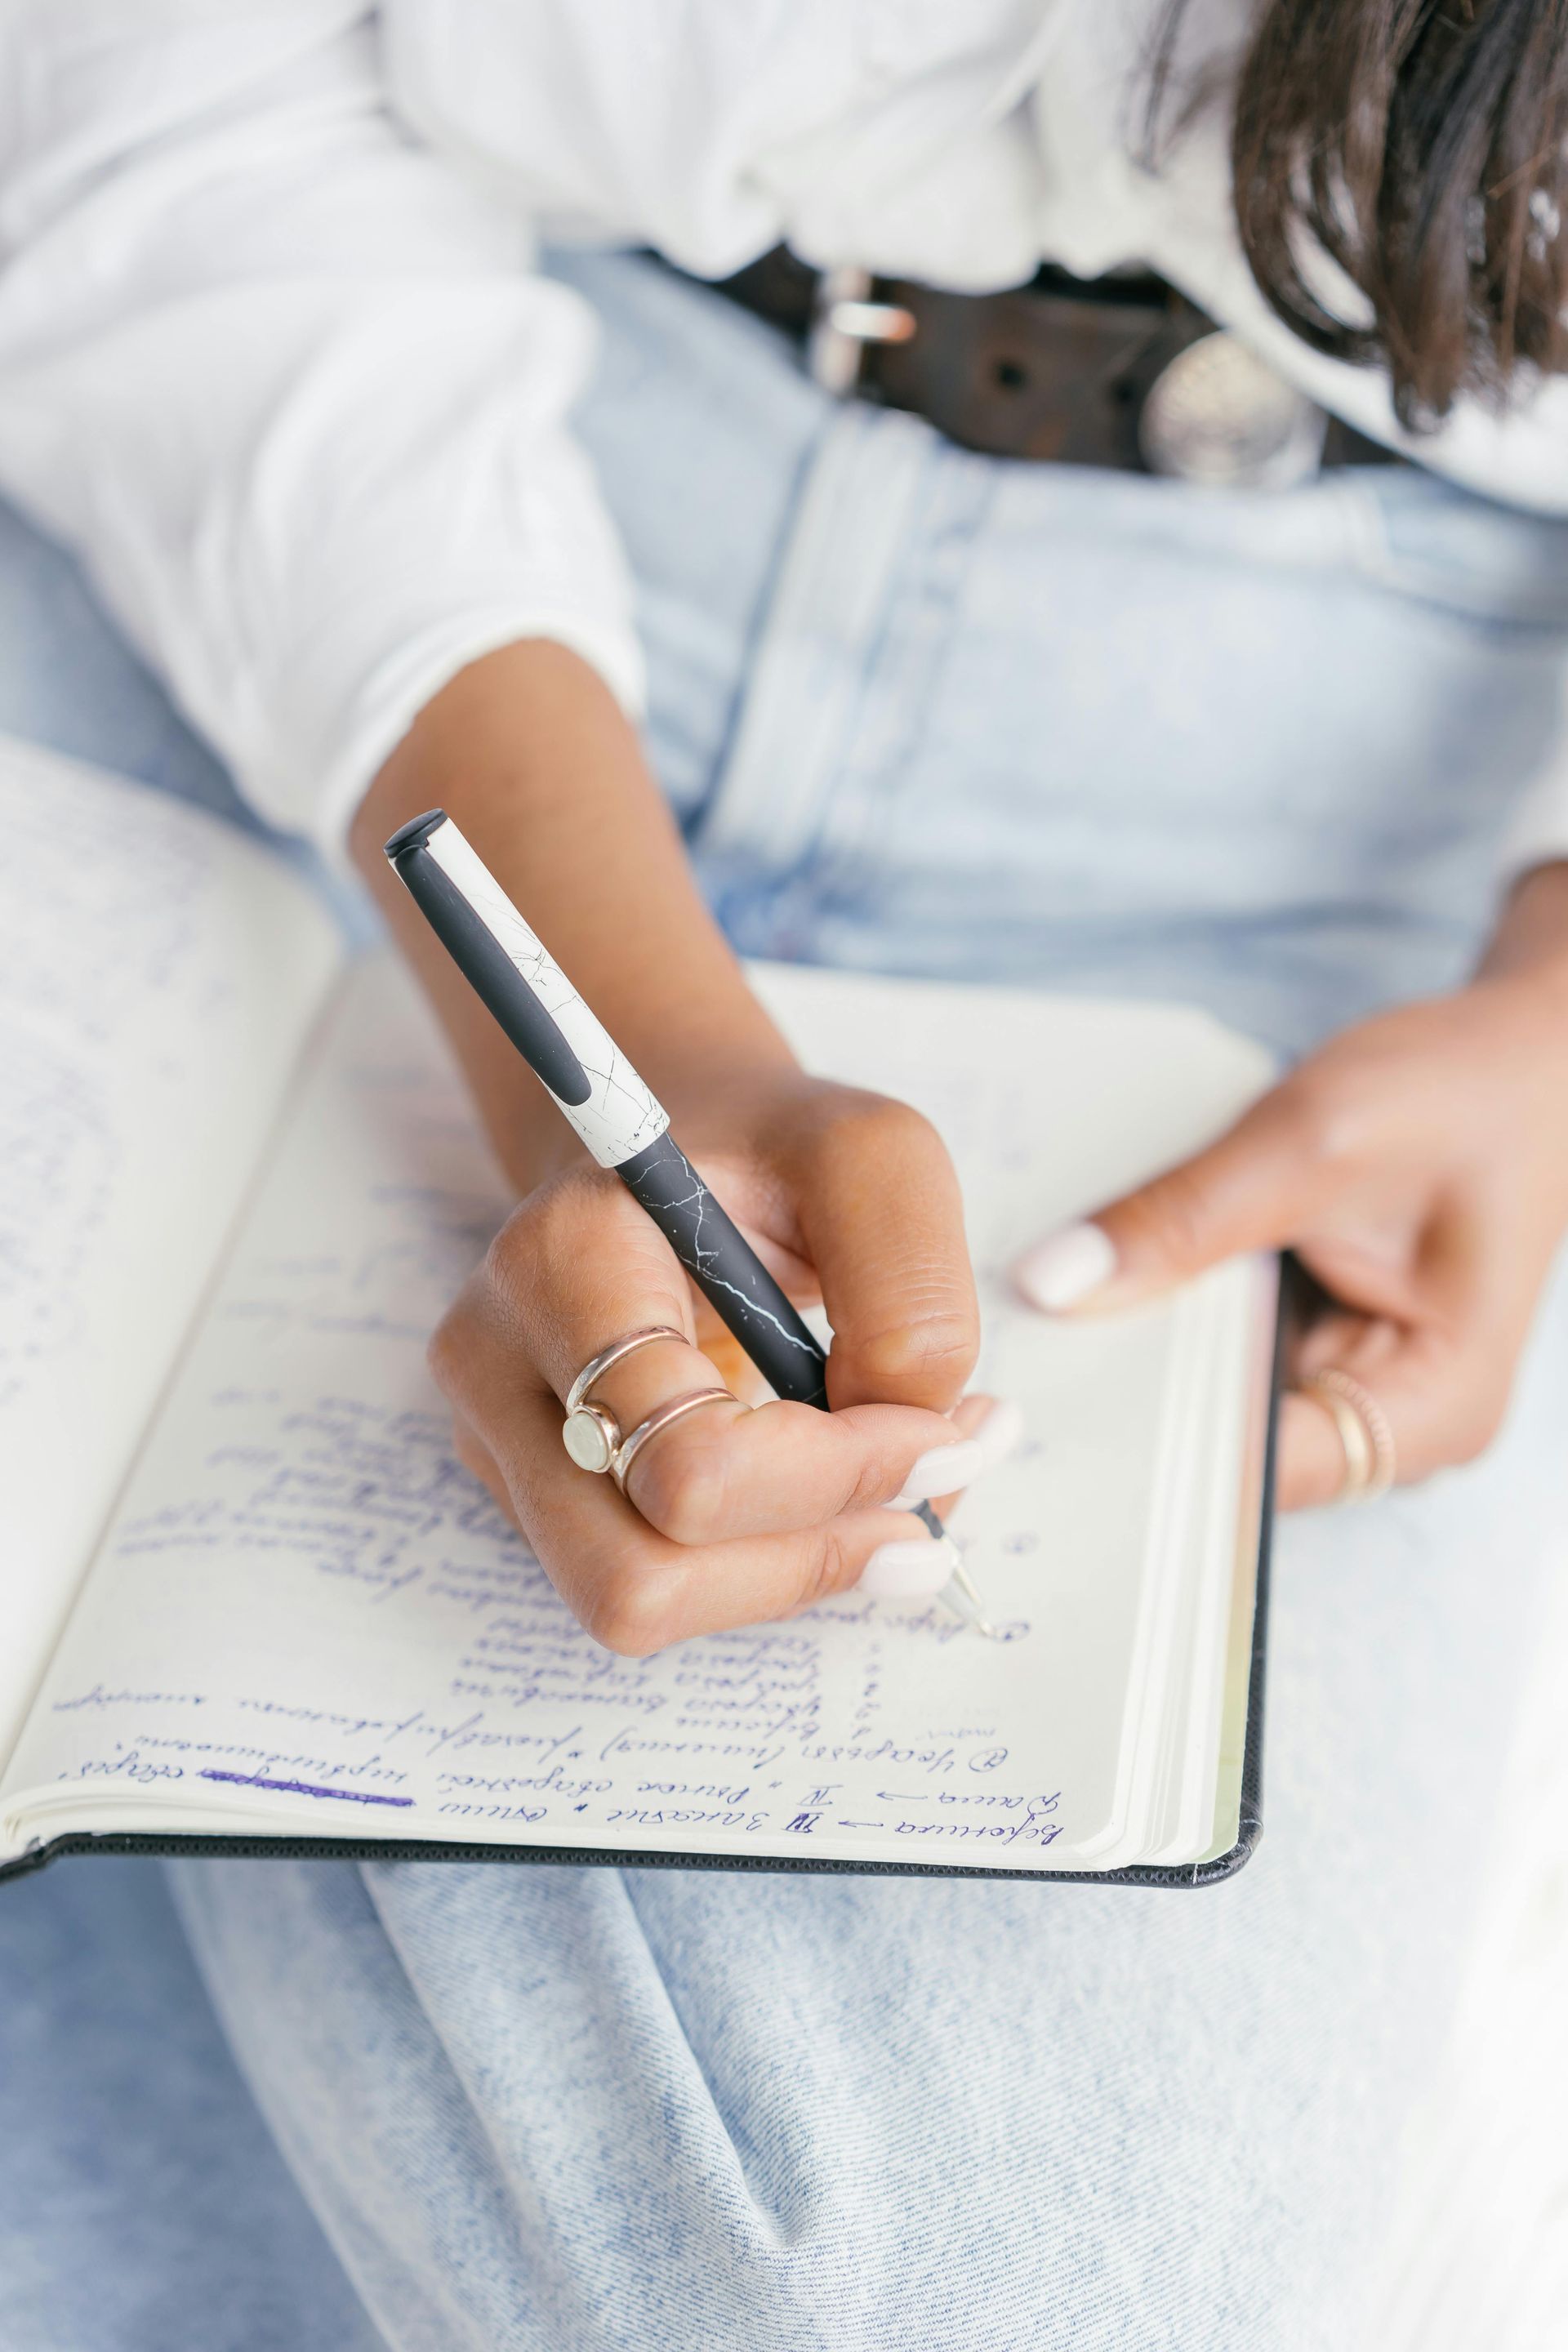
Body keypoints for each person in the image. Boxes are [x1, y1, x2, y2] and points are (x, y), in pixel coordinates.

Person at [1, 4, 1566, 2345]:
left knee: (907, 2299)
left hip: (1362, 779)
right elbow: (161, 87)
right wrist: (630, 1031)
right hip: (317, 444)